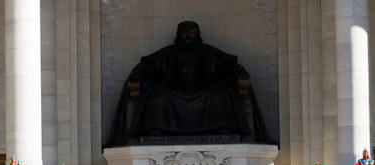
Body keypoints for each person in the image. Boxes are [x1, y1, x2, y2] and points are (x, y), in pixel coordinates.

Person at [107, 20, 270, 147]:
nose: (188, 34)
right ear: (178, 34)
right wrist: (136, 75)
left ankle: (223, 128)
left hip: (203, 86)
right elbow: (147, 65)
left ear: (198, 34)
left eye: (192, 31)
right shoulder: (170, 52)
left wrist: (240, 73)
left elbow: (229, 64)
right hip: (173, 86)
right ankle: (157, 130)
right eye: (185, 31)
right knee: (159, 96)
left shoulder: (207, 51)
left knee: (219, 94)